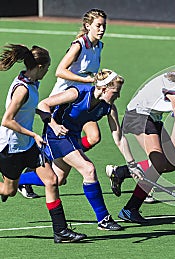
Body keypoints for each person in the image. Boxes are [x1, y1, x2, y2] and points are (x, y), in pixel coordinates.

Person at [19, 69, 140, 231]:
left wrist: (132, 164)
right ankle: (103, 219)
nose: (118, 96)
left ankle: (15, 180)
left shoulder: (108, 108)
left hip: (72, 137)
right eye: (115, 92)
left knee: (57, 179)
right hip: (55, 135)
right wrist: (54, 125)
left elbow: (119, 138)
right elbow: (43, 105)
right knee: (88, 170)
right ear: (103, 89)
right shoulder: (78, 92)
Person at [106, 60, 175, 224]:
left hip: (153, 118)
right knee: (158, 162)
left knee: (171, 163)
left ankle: (121, 172)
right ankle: (131, 209)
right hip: (138, 115)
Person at [0, 44, 86, 243]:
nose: (48, 72)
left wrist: (51, 122)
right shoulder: (22, 89)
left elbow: (31, 110)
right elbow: (7, 120)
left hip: (28, 145)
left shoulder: (32, 82)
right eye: (47, 68)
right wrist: (34, 134)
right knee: (8, 191)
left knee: (52, 180)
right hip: (11, 147)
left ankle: (61, 232)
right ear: (39, 66)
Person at [19, 8, 107, 197]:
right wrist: (88, 80)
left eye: (103, 26)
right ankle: (23, 177)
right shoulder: (79, 45)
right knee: (58, 178)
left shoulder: (99, 46)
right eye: (98, 25)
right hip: (62, 102)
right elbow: (60, 71)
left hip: (81, 100)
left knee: (94, 136)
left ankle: (59, 154)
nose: (101, 29)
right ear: (87, 25)